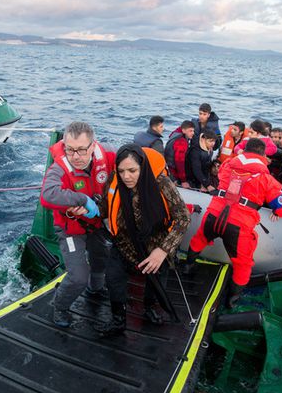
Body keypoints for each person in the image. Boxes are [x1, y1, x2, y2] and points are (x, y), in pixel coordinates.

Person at [183, 138, 282, 304]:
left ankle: (187, 268)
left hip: (214, 214)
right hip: (239, 226)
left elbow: (225, 176)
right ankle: (232, 301)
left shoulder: (227, 165)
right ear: (263, 155)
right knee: (243, 265)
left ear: (245, 150)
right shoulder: (266, 178)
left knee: (199, 239)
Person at [101, 144, 191, 332]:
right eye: (122, 171)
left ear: (143, 167)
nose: (126, 177)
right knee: (113, 279)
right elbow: (104, 205)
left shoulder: (162, 183)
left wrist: (163, 250)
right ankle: (118, 319)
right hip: (124, 243)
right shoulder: (113, 181)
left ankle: (149, 308)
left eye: (132, 170)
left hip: (155, 245)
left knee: (156, 282)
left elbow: (183, 217)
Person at [40, 122, 116, 327]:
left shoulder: (107, 155)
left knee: (101, 258)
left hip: (97, 224)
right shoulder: (60, 168)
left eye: (82, 149)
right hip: (71, 229)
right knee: (78, 277)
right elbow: (47, 195)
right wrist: (81, 200)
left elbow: (132, 163)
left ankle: (97, 288)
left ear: (93, 146)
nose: (76, 156)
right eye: (70, 150)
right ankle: (60, 307)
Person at [164, 120, 195, 187]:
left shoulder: (175, 133)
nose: (193, 133)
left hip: (168, 166)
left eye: (193, 131)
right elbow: (179, 162)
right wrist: (183, 181)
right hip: (173, 172)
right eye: (190, 131)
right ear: (183, 130)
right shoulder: (181, 142)